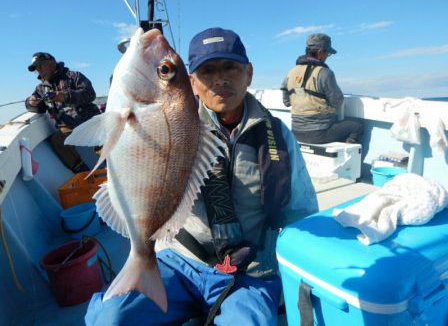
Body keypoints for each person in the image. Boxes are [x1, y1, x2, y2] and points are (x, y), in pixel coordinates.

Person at [85, 27, 318, 326]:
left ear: (248, 72)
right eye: (207, 71)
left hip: (250, 271)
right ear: (192, 82)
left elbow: (301, 210)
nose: (220, 78)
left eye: (230, 67)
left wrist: (298, 272)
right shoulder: (173, 124)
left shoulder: (278, 136)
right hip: (181, 261)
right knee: (109, 317)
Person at [281, 33, 363, 144]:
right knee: (357, 126)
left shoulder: (291, 73)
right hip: (319, 133)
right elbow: (337, 102)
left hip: (296, 132)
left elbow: (286, 102)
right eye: (327, 53)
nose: (327, 57)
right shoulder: (325, 73)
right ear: (320, 52)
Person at [25, 52, 100, 172]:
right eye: (36, 69)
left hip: (90, 120)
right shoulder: (41, 89)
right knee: (57, 140)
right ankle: (83, 172)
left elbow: (90, 94)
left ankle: (112, 166)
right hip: (68, 126)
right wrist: (30, 102)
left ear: (52, 63)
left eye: (40, 66)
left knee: (104, 138)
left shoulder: (74, 76)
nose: (39, 71)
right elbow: (38, 108)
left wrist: (65, 96)